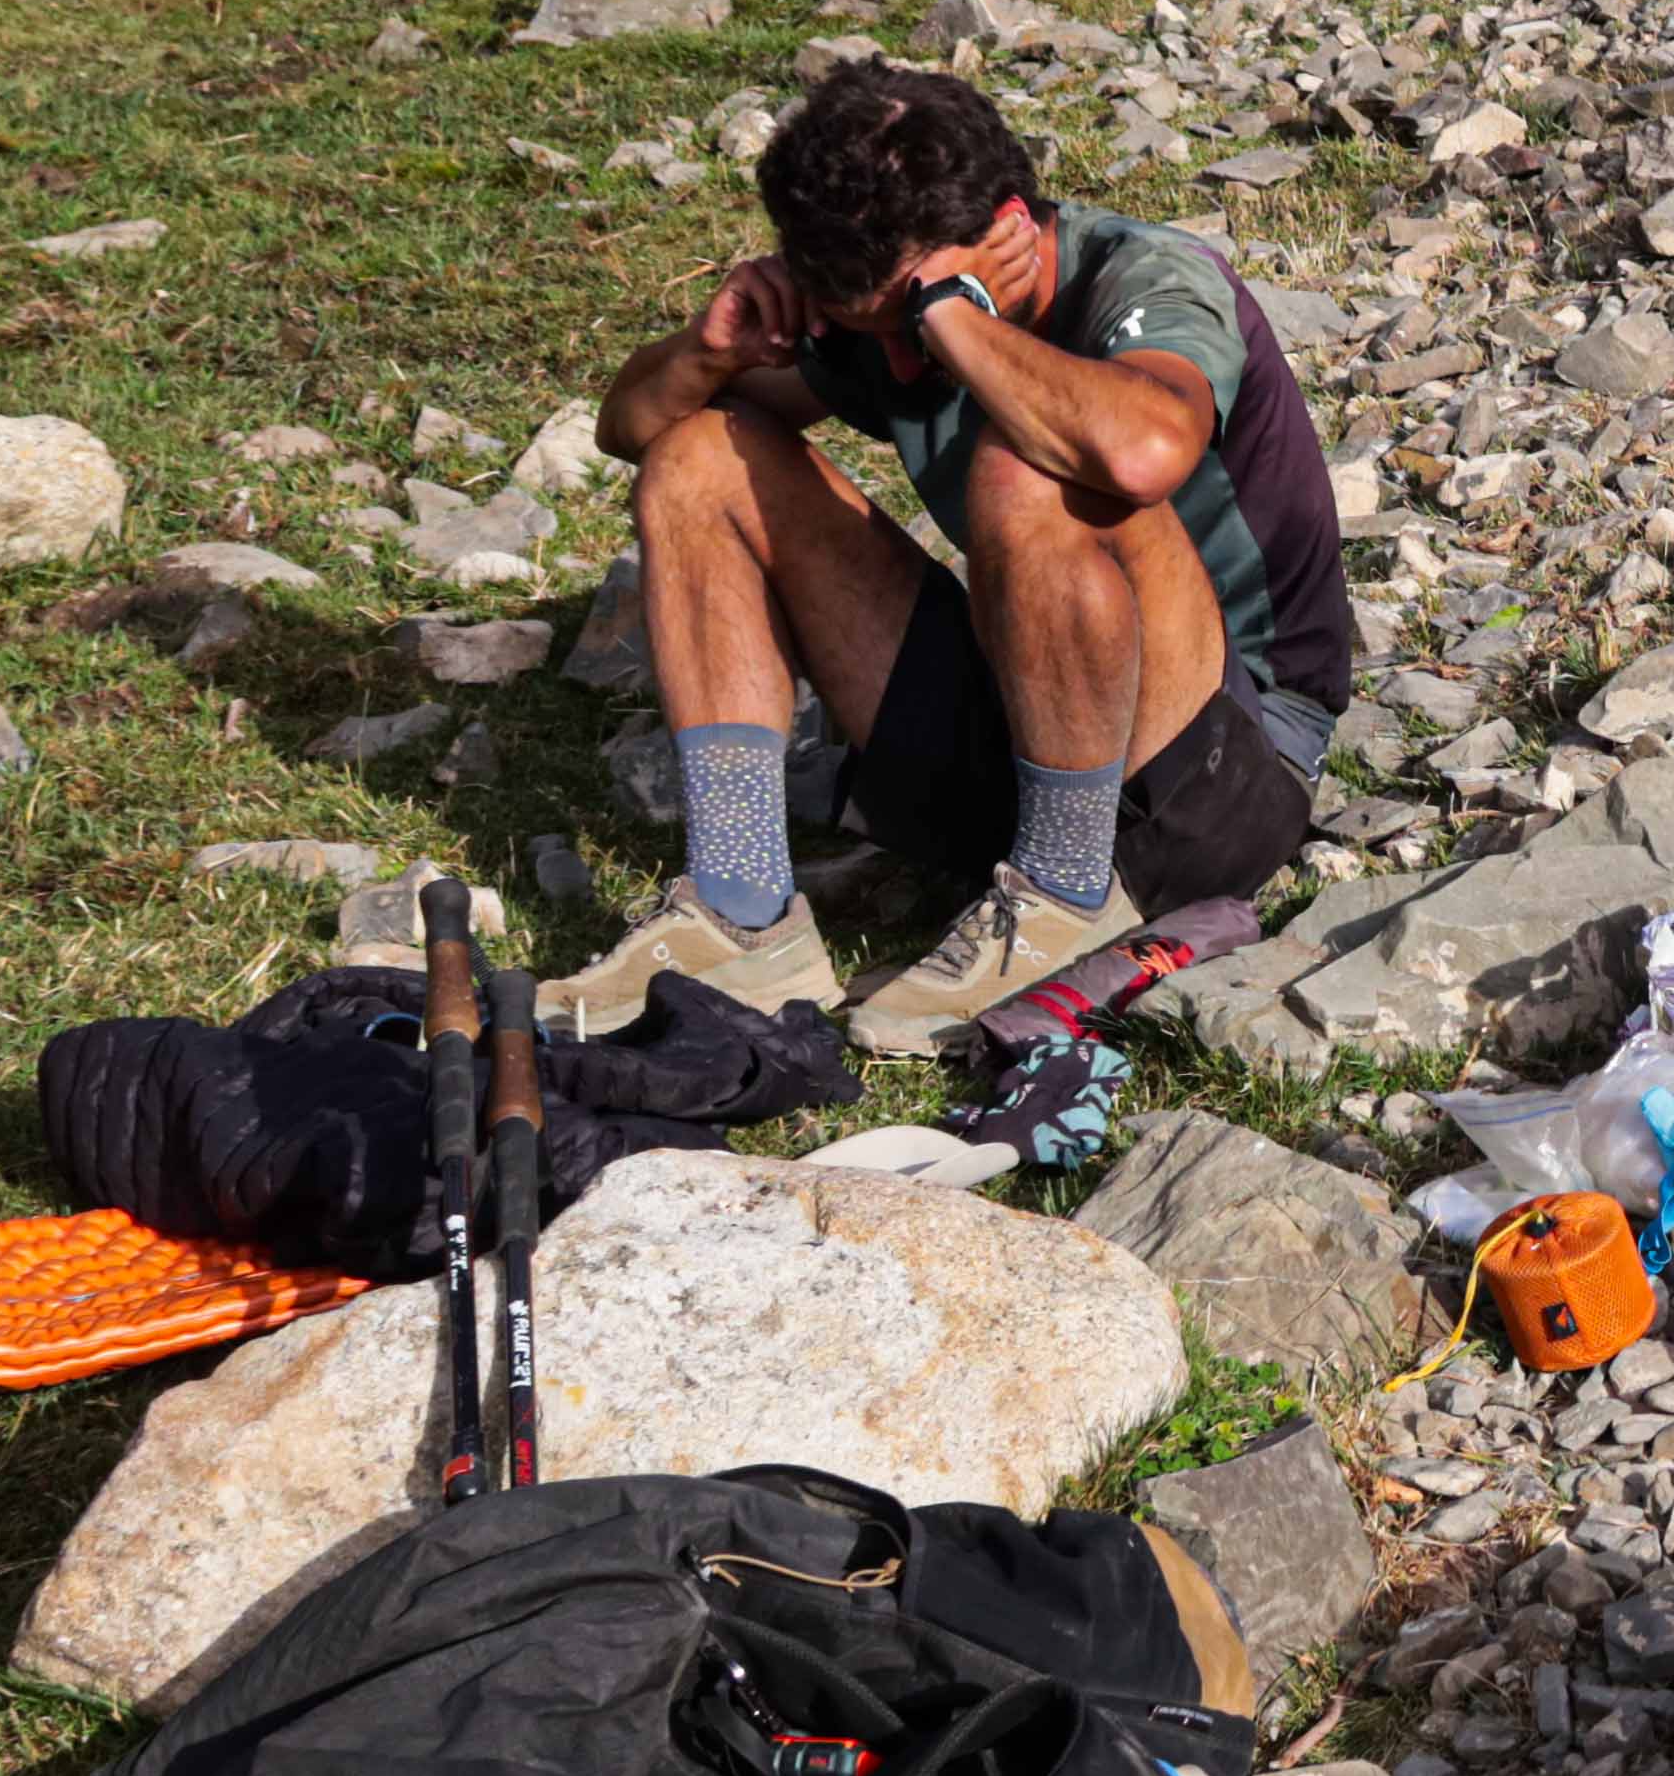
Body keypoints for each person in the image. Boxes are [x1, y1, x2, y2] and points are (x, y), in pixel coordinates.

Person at [540, 61, 1351, 1053]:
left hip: (1224, 775)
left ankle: (1062, 897)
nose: (895, 366)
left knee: (1032, 459)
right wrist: (713, 351)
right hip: (1026, 746)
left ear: (1006, 226)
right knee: (702, 454)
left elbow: (1143, 451)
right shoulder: (886, 326)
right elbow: (633, 429)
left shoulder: (1143, 273)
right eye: (869, 331)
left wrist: (953, 319)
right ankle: (739, 910)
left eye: (906, 326)